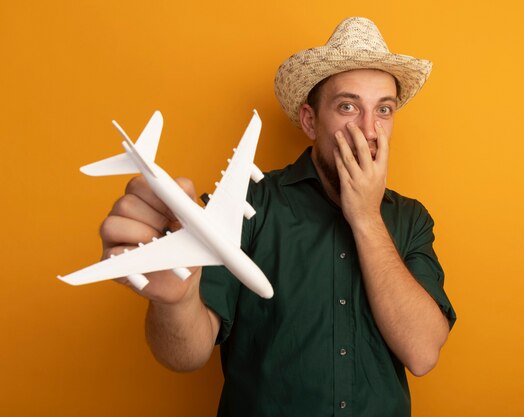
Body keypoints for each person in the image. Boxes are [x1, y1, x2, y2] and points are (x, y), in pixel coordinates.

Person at [102, 17, 456, 417]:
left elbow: (423, 353)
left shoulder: (411, 219)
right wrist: (177, 299)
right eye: (347, 106)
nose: (369, 130)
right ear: (309, 120)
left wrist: (367, 218)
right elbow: (184, 355)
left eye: (384, 110)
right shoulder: (248, 204)